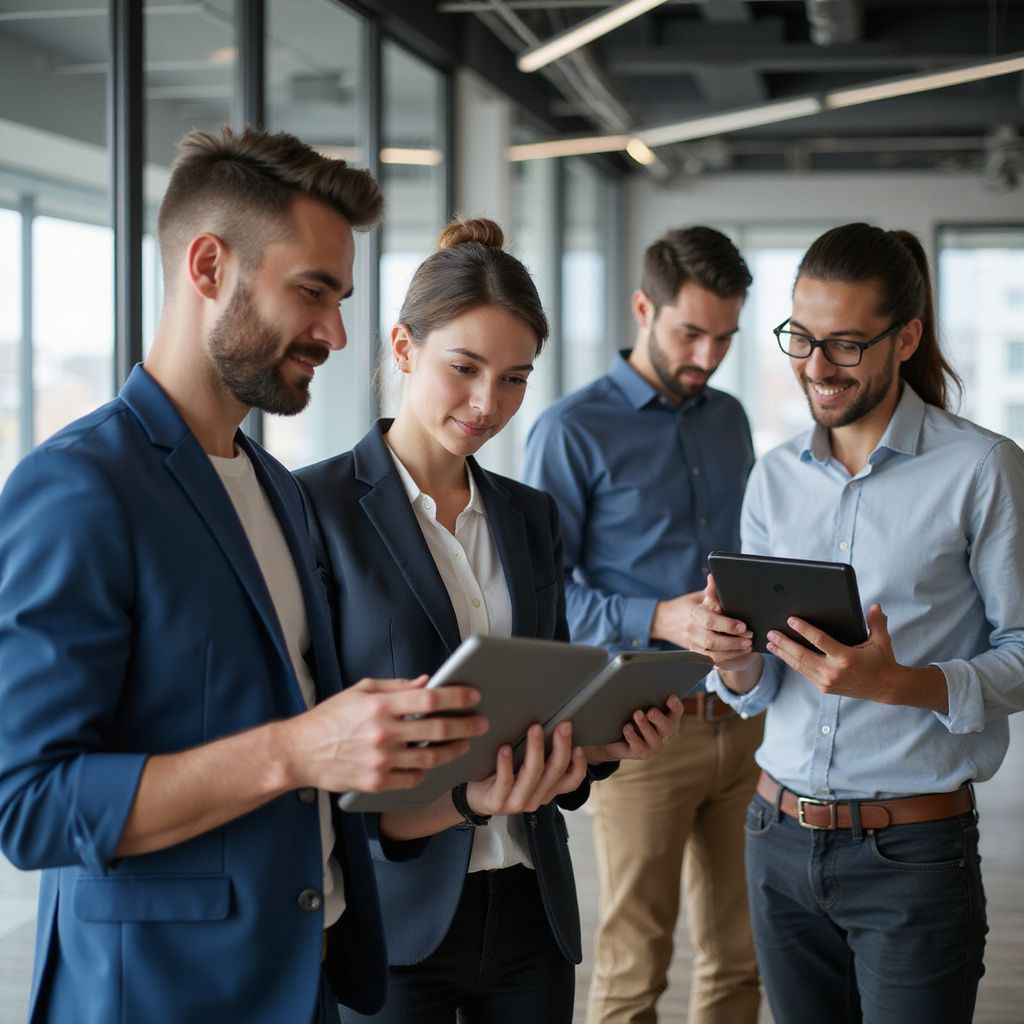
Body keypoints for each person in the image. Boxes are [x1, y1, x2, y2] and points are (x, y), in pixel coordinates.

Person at [0, 127, 488, 1024]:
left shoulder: (273, 486)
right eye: (312, 292)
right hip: (158, 996)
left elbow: (304, 751)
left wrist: (436, 764)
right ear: (210, 265)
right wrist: (298, 747)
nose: (337, 332)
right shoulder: (78, 487)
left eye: (340, 298)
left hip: (306, 978)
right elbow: (30, 806)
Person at [294, 216, 684, 1024]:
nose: (487, 404)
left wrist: (602, 744)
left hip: (528, 909)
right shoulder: (311, 508)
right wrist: (465, 799)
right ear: (403, 349)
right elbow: (311, 743)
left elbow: (547, 698)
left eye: (515, 378)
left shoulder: (530, 516)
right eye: (464, 369)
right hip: (392, 916)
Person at [690, 222, 1024, 1023]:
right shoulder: (773, 478)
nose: (815, 367)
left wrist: (904, 685)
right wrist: (730, 656)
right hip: (776, 837)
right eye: (800, 339)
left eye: (844, 345)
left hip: (913, 854)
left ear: (905, 338)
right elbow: (757, 682)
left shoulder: (982, 468)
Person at [523, 226, 763, 1024]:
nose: (707, 355)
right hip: (639, 731)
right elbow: (544, 599)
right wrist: (659, 616)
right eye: (689, 332)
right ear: (642, 309)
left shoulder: (729, 420)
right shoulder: (570, 430)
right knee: (635, 965)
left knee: (740, 957)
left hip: (746, 717)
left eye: (723, 337)